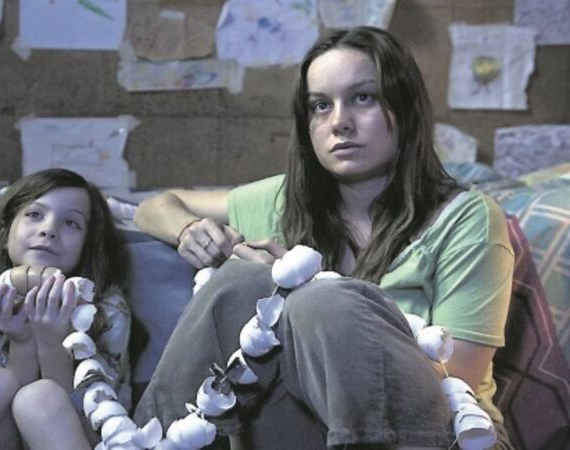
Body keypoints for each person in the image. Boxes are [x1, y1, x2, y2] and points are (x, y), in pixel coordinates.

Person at [133, 27, 513, 449]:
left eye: (363, 98)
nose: (340, 122)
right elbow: (154, 206)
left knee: (316, 299)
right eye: (320, 105)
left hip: (445, 432)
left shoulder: (466, 216)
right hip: (306, 428)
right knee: (242, 280)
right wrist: (188, 230)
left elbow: (458, 373)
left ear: (404, 108)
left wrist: (311, 296)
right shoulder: (283, 200)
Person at [0, 168, 131, 450]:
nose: (49, 229)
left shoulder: (106, 312)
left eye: (71, 223)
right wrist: (22, 342)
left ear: (87, 247)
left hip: (81, 438)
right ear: (4, 235)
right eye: (34, 214)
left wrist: (53, 345)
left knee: (39, 398)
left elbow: (90, 427)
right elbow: (2, 424)